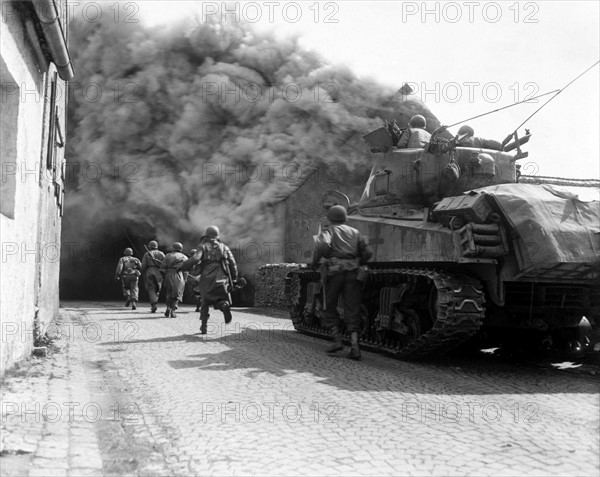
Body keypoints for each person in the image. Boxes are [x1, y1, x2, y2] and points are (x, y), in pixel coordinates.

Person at [312, 205, 372, 360]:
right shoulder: (356, 232)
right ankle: (355, 347)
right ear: (345, 217)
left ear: (330, 218)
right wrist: (359, 261)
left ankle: (337, 340)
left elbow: (322, 245)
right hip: (353, 273)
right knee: (352, 309)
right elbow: (367, 252)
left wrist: (315, 262)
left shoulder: (329, 231)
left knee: (328, 305)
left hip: (334, 272)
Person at [181, 226, 238, 335]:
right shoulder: (224, 247)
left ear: (206, 235)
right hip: (222, 277)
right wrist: (234, 279)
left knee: (205, 302)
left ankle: (204, 326)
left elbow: (196, 258)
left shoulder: (202, 246)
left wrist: (184, 266)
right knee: (220, 298)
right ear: (217, 236)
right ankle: (224, 305)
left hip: (207, 277)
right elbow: (232, 263)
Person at [160, 242, 188, 318]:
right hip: (179, 275)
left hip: (169, 274)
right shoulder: (184, 257)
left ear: (173, 248)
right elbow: (187, 270)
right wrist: (185, 279)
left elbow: (162, 268)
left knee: (169, 292)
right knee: (177, 293)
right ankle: (173, 310)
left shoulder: (168, 255)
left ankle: (168, 308)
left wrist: (165, 274)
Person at [140, 240, 165, 313]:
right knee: (158, 288)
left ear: (150, 247)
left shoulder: (147, 254)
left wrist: (142, 271)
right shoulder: (161, 253)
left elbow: (143, 265)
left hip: (149, 271)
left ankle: (153, 304)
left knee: (151, 288)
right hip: (159, 272)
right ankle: (155, 301)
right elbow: (165, 263)